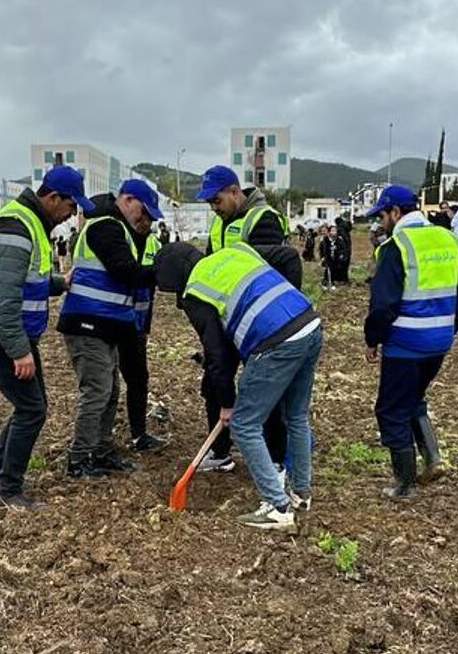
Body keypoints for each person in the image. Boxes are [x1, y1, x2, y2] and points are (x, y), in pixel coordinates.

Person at [153, 240, 322, 531]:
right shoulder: (235, 251)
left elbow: (217, 354)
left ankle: (278, 508)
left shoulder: (196, 290)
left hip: (276, 340)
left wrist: (227, 403)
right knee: (295, 415)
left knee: (244, 424)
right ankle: (301, 494)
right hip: (309, 324)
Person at [0, 165, 91, 510]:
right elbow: (4, 298)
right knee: (32, 409)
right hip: (1, 335)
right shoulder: (17, 227)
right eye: (70, 207)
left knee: (30, 407)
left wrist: (58, 283)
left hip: (13, 333)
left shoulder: (32, 224)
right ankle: (8, 490)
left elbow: (26, 278)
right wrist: (19, 351)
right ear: (53, 198)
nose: (70, 216)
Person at [363, 184, 458, 500]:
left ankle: (404, 484)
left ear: (395, 212)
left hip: (406, 342)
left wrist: (372, 339)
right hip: (440, 339)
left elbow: (383, 305)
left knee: (391, 409)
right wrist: (450, 330)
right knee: (413, 397)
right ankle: (433, 458)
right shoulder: (448, 239)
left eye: (382, 215)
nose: (381, 222)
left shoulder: (396, 246)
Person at [58, 183, 159, 479]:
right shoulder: (106, 227)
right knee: (98, 390)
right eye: (144, 211)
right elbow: (124, 271)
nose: (145, 220)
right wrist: (163, 269)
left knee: (110, 391)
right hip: (87, 323)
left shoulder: (120, 230)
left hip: (105, 324)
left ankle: (100, 450)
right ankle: (79, 459)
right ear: (128, 200)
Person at [122, 196, 168, 455]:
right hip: (115, 321)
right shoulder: (119, 237)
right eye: (144, 216)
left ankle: (139, 434)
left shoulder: (154, 244)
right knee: (107, 385)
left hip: (139, 325)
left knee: (138, 379)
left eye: (151, 219)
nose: (146, 223)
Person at [198, 166, 290, 271]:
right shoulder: (218, 221)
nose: (213, 208)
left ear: (234, 192)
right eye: (210, 203)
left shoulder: (264, 219)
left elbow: (264, 273)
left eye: (217, 201)